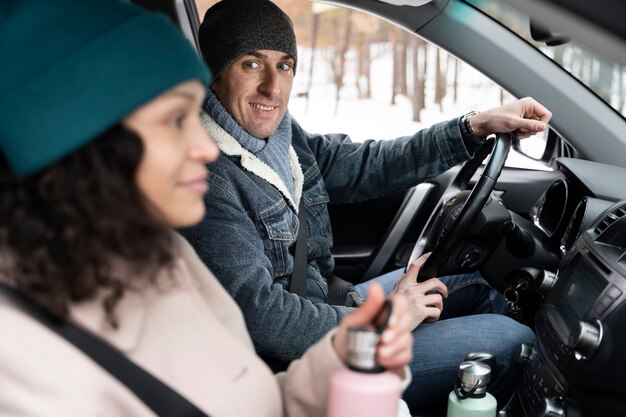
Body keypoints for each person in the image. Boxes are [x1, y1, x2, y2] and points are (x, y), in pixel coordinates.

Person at [0, 1, 417, 416]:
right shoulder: (19, 367)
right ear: (87, 146)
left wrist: (342, 355)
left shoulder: (166, 259)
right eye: (176, 121)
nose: (204, 147)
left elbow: (256, 406)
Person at [181, 0, 550, 412]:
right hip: (303, 364)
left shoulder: (279, 138)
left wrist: (475, 126)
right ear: (214, 72)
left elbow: (364, 165)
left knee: (476, 282)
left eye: (284, 65)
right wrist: (387, 319)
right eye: (252, 64)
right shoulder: (206, 180)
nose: (272, 87)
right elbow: (264, 318)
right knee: (514, 341)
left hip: (332, 310)